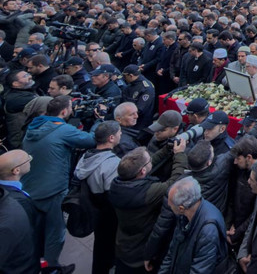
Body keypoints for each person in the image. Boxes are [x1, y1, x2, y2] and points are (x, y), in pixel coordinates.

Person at [21, 95, 96, 266]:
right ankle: (52, 266)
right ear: (64, 111)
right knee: (55, 230)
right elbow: (91, 140)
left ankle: (34, 260)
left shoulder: (36, 125)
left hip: (31, 186)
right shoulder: (63, 130)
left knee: (36, 228)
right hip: (53, 188)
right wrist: (99, 121)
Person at [109, 141, 188, 274]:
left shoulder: (117, 183)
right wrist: (180, 154)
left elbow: (145, 164)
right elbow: (175, 181)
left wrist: (165, 150)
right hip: (140, 252)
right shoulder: (148, 193)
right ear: (142, 171)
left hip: (123, 245)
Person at [73, 120, 122, 274]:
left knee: (100, 245)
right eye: (119, 133)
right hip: (107, 212)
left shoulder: (86, 156)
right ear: (111, 138)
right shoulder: (112, 164)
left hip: (93, 208)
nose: (121, 135)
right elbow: (115, 193)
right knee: (107, 247)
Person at [159, 177, 229, 273]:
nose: (169, 206)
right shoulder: (185, 215)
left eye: (171, 206)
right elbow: (172, 252)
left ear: (181, 208)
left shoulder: (208, 231)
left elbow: (200, 270)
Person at [120, 65, 156, 130]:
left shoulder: (146, 88)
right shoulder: (131, 84)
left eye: (125, 76)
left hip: (140, 123)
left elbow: (140, 109)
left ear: (131, 76)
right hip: (128, 119)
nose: (124, 78)